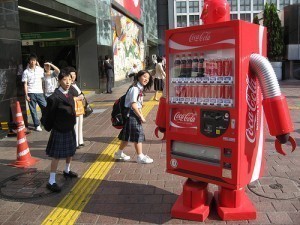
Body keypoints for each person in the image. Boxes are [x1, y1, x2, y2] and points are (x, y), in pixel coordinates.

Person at [44, 69, 77, 192]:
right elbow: (49, 115)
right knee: (56, 155)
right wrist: (49, 127)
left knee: (71, 151)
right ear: (59, 81)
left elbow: (79, 95)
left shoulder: (71, 91)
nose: (68, 82)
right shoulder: (54, 97)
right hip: (59, 129)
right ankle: (51, 181)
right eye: (64, 79)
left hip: (69, 126)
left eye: (69, 79)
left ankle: (67, 170)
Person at [114, 70, 154, 164]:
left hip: (131, 115)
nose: (146, 79)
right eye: (144, 77)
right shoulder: (135, 89)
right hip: (132, 115)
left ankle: (119, 153)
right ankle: (140, 156)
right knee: (138, 135)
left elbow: (137, 104)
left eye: (148, 78)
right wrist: (141, 116)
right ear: (139, 76)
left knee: (126, 136)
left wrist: (141, 111)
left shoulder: (139, 88)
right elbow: (133, 105)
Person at [22, 53, 47, 131]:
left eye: (34, 60)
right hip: (31, 93)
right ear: (29, 61)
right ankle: (37, 125)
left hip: (40, 92)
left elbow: (45, 78)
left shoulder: (40, 70)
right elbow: (25, 84)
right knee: (33, 110)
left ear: (36, 61)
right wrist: (26, 95)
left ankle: (43, 121)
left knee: (45, 108)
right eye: (31, 60)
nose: (33, 62)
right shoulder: (26, 72)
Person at [67, 66, 85, 149]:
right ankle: (75, 142)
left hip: (79, 107)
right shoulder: (68, 85)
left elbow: (79, 93)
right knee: (75, 125)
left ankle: (80, 140)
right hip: (74, 108)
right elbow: (68, 97)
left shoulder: (75, 84)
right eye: (71, 75)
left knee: (80, 123)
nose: (73, 76)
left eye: (74, 74)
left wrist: (82, 96)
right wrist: (78, 97)